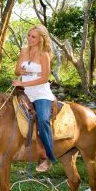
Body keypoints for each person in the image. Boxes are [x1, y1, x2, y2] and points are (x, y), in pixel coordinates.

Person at [12, 25, 57, 172]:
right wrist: (21, 71)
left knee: (43, 120)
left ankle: (49, 157)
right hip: (24, 92)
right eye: (29, 35)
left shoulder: (44, 54)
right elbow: (16, 70)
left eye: (33, 37)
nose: (29, 39)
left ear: (40, 39)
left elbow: (45, 78)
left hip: (40, 93)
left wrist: (23, 82)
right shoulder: (24, 51)